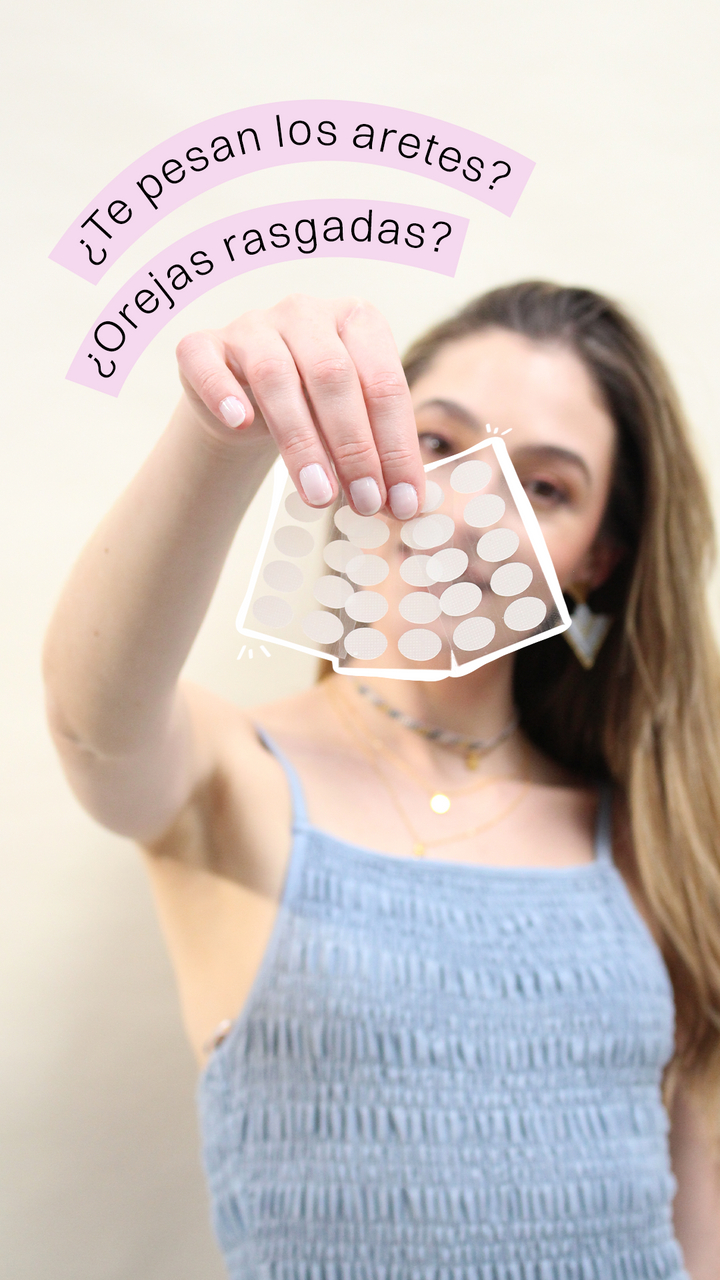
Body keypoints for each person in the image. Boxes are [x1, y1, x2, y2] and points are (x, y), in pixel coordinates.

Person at [42, 283, 720, 1278]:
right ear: (361, 449)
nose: (468, 510)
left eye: (544, 487)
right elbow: (91, 723)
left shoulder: (655, 825)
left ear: (596, 561)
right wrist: (220, 430)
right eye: (435, 443)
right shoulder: (235, 775)